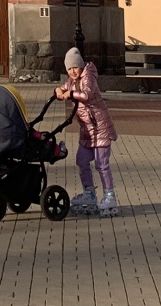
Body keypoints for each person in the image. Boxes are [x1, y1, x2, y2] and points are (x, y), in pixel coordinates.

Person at [56, 47, 118, 216]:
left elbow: (87, 95)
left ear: (81, 66)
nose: (72, 71)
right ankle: (89, 192)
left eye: (75, 67)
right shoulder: (71, 80)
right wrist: (59, 91)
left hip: (100, 127)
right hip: (86, 130)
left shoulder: (88, 76)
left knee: (101, 164)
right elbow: (63, 88)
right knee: (82, 161)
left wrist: (70, 94)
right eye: (69, 69)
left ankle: (109, 195)